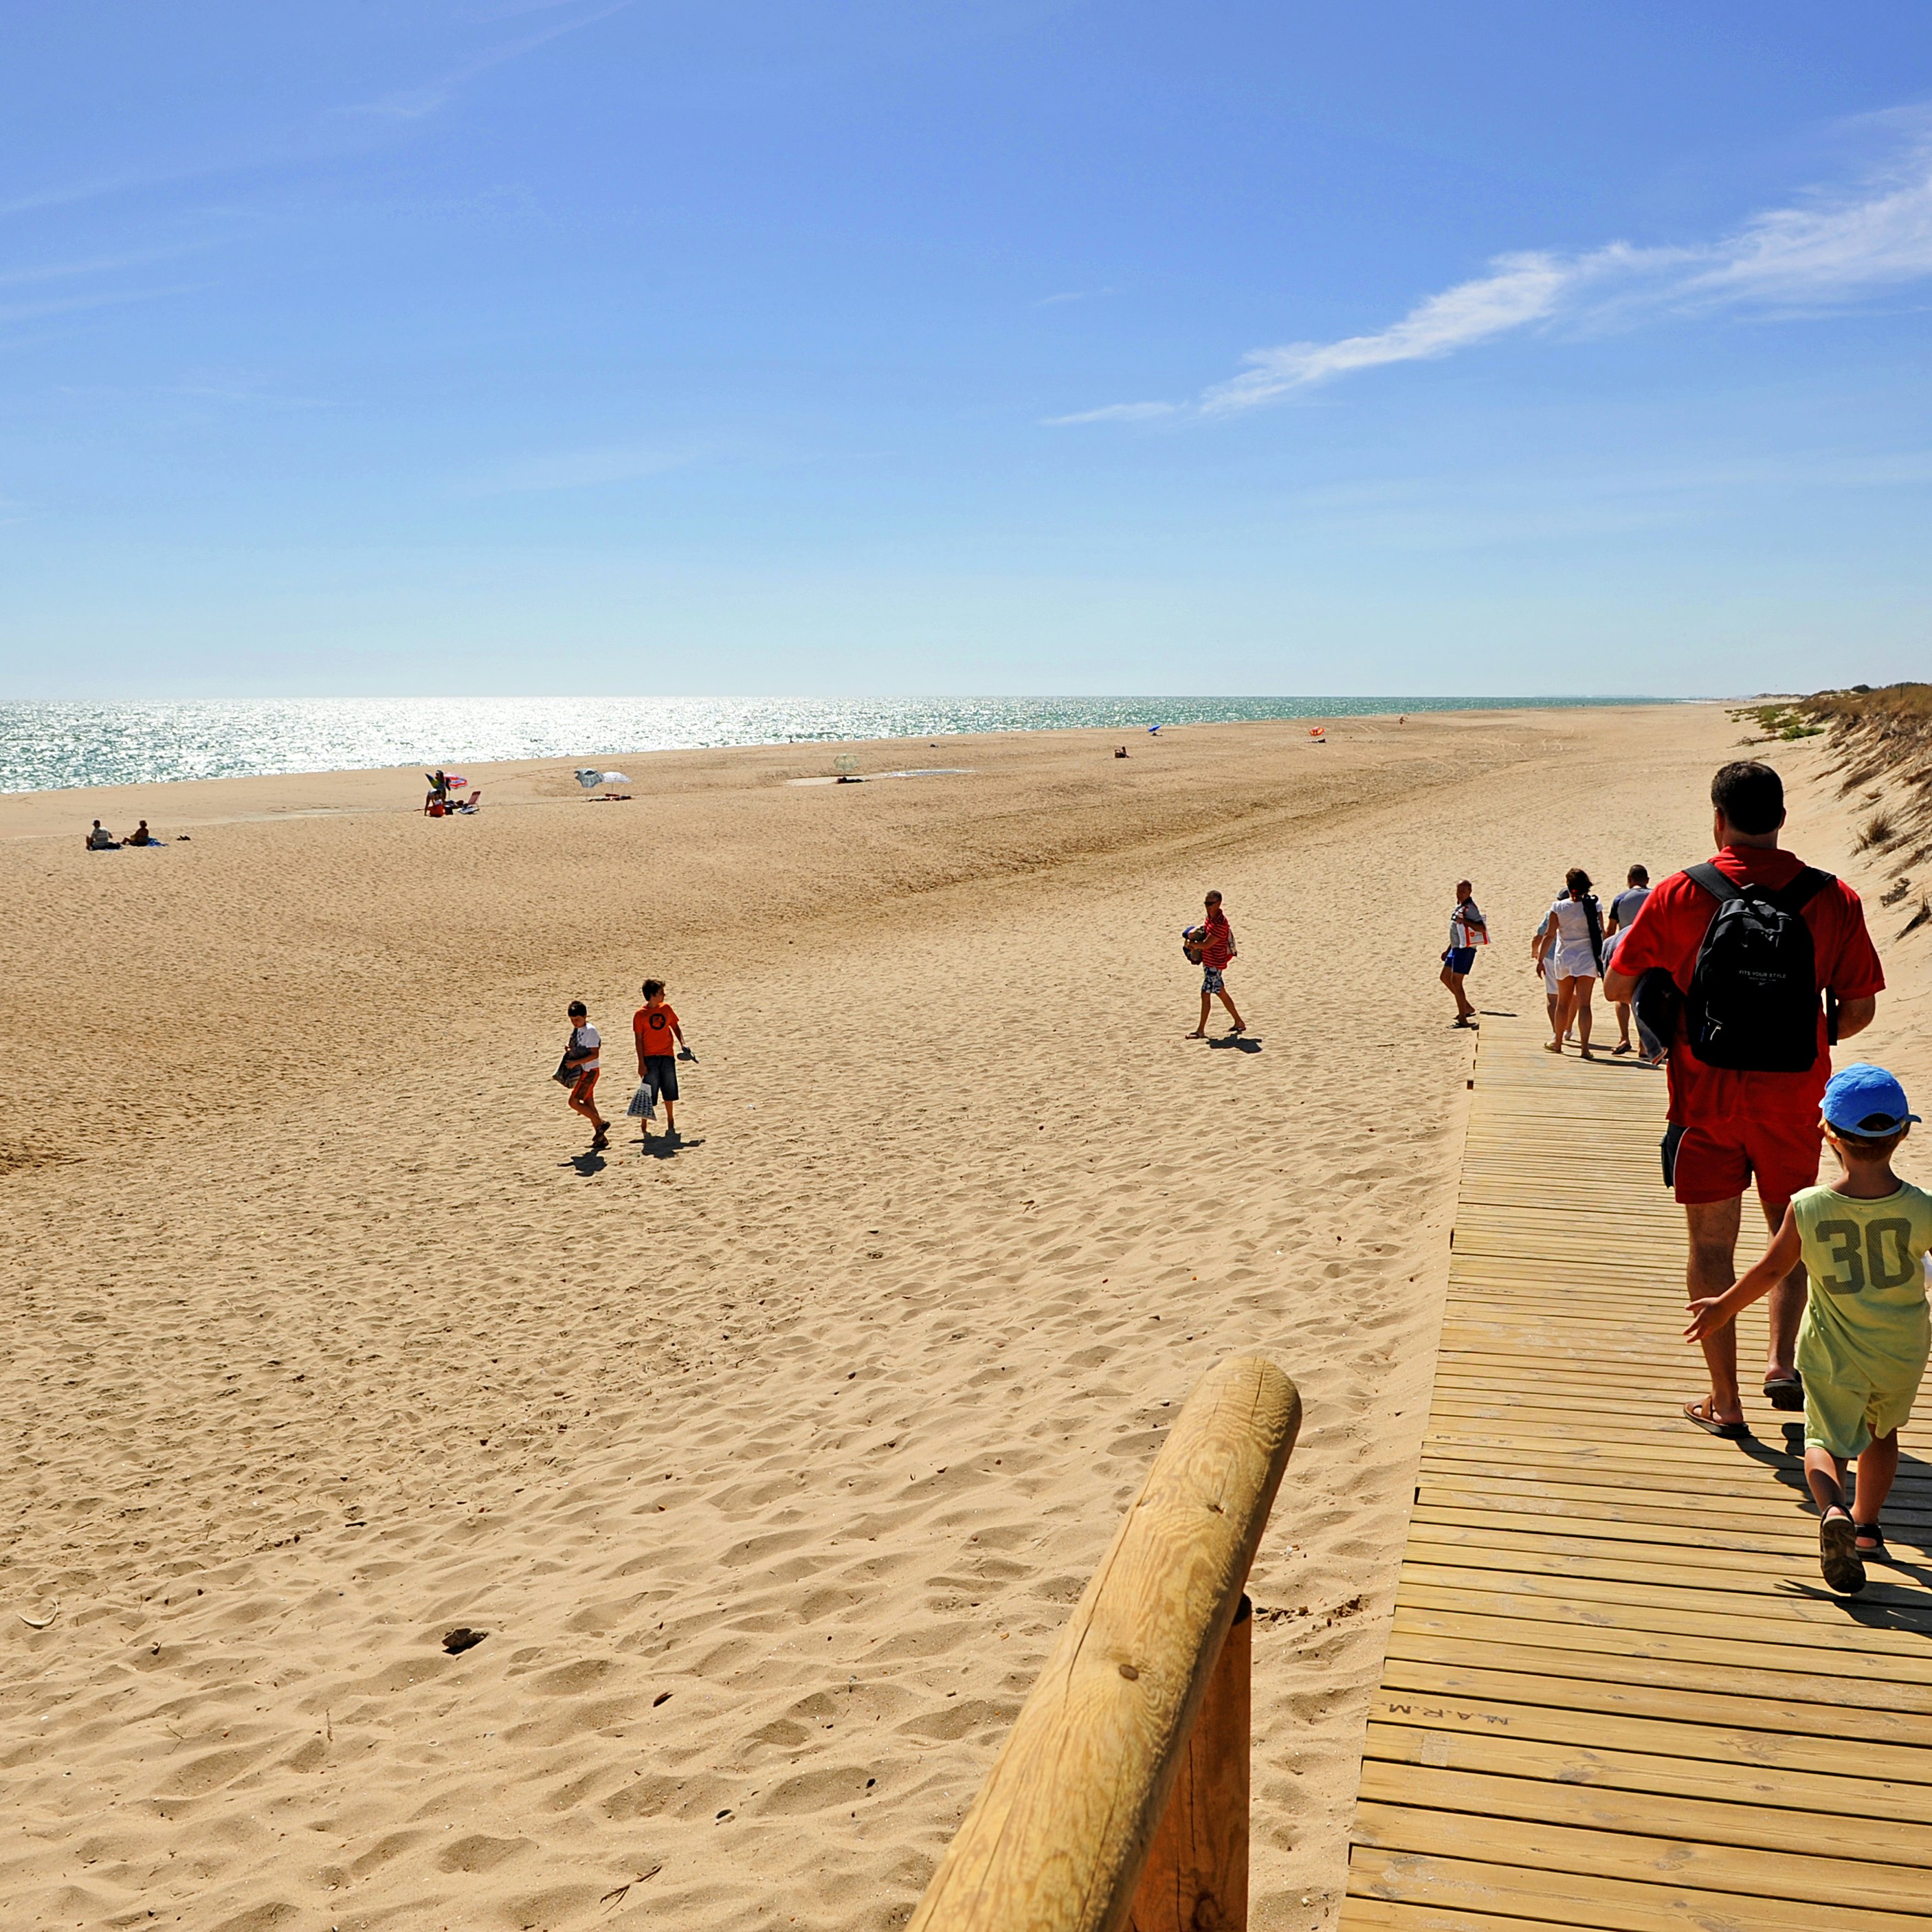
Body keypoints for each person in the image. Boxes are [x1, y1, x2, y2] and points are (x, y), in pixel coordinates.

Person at [1606, 760, 1884, 1436]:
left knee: (1710, 1246)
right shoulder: (1834, 898)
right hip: (1796, 1102)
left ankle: (1725, 1400)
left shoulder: (1679, 894)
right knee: (1790, 1238)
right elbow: (1859, 1009)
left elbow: (1617, 988)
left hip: (1704, 1103)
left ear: (1718, 819)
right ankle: (1781, 1364)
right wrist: (1806, 1039)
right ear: (1781, 818)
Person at [1685, 1065, 1928, 1595]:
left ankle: (1832, 1510)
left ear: (1827, 1133)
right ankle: (1865, 1528)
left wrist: (1723, 1307)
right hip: (1901, 1348)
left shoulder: (1809, 1206)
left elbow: (1771, 1271)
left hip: (1832, 1350)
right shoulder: (1922, 1208)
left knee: (1822, 1439)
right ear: (1903, 1133)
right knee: (1881, 1433)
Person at [1533, 868, 1604, 1058]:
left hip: (1565, 958)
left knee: (1563, 1003)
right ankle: (1585, 1049)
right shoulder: (1594, 906)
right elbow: (1601, 933)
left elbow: (1549, 935)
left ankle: (1557, 1042)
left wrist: (1540, 959)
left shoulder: (1558, 907)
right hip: (1587, 959)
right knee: (1585, 1005)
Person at [1604, 865, 1651, 1056]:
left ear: (1629, 880)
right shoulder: (1656, 896)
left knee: (1620, 996)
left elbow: (1611, 930)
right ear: (1647, 880)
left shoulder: (1620, 899)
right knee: (1646, 997)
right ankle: (1644, 1044)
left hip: (1624, 948)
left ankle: (1624, 1037)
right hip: (1649, 950)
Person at [1186, 891, 1245, 1039]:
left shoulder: (1219, 924)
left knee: (1205, 994)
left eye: (1210, 904)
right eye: (1206, 903)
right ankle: (1239, 1022)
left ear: (1218, 904)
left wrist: (1192, 945)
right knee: (1221, 992)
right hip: (1210, 963)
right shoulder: (1211, 918)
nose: (1207, 907)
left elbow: (1206, 945)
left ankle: (1200, 1030)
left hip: (1215, 964)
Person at [632, 979, 687, 1137]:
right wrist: (641, 1063)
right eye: (661, 993)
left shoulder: (667, 1009)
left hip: (667, 1055)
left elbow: (675, 1027)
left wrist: (683, 1044)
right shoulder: (640, 1015)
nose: (664, 995)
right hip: (650, 1058)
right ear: (652, 995)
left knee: (669, 1090)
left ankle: (671, 1121)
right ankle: (644, 1125)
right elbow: (638, 1039)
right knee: (648, 1092)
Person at [562, 1001, 609, 1151]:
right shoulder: (578, 1031)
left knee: (574, 1102)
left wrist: (575, 1062)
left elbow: (595, 1054)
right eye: (572, 1020)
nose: (575, 1023)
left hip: (590, 1072)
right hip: (584, 1071)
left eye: (577, 1019)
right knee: (589, 1104)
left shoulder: (591, 1031)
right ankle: (601, 1139)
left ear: (585, 1016)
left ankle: (601, 1123)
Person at [1440, 880, 1487, 1028]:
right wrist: (1448, 950)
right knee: (1445, 977)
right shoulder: (1460, 907)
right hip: (1456, 948)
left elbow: (1482, 929)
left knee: (1456, 982)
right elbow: (1457, 932)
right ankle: (1466, 1008)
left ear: (1470, 891)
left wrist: (1465, 921)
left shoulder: (1470, 909)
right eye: (1458, 891)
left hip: (1465, 950)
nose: (1460, 894)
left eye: (1463, 891)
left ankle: (1463, 1019)